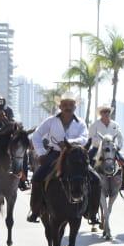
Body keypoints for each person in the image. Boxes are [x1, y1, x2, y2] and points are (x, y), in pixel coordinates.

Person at [26, 95, 87, 223]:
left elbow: (84, 138)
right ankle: (35, 210)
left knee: (94, 178)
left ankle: (91, 211)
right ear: (60, 106)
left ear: (75, 107)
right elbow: (36, 135)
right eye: (65, 105)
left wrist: (69, 142)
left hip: (74, 155)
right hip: (54, 154)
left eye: (70, 105)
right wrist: (41, 153)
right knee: (37, 177)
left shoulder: (80, 122)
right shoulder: (51, 121)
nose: (68, 107)